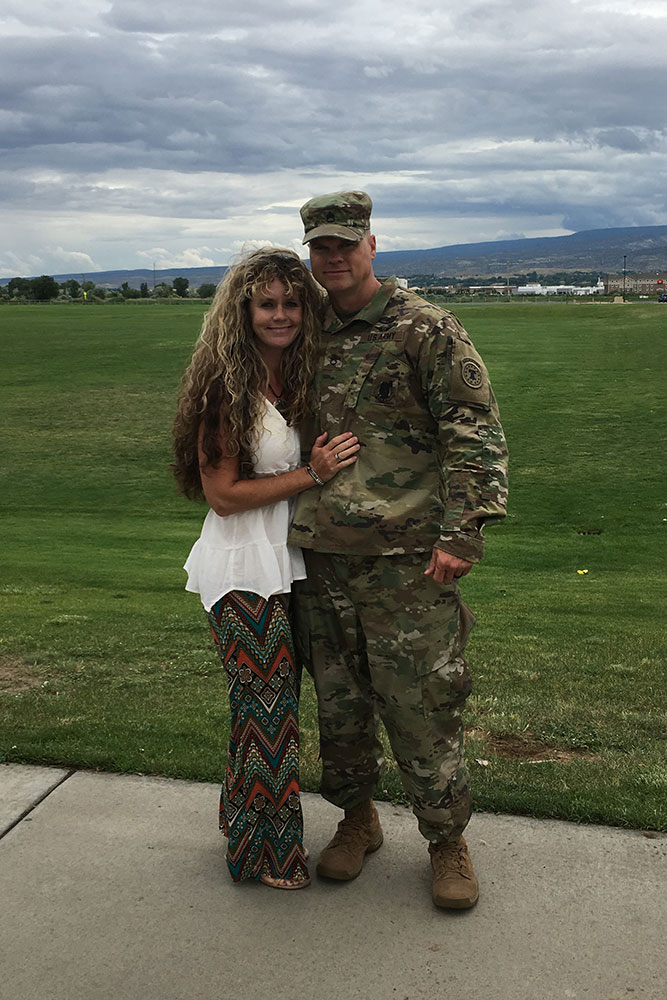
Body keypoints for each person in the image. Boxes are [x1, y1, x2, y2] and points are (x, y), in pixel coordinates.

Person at [289, 192, 509, 909]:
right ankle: (356, 822)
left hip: (407, 561)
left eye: (345, 244)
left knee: (420, 703)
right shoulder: (303, 331)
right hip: (320, 557)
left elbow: (472, 431)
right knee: (341, 706)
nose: (334, 257)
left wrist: (462, 531)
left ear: (372, 244)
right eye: (321, 246)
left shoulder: (425, 328)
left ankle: (446, 841)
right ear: (310, 253)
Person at [172, 247, 359, 890]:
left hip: (287, 563)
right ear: (242, 310)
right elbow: (222, 494)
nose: (279, 315)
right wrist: (311, 473)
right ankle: (267, 856)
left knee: (260, 706)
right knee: (269, 710)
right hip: (242, 567)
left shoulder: (296, 377)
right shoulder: (228, 387)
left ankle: (239, 819)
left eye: (290, 302)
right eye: (265, 304)